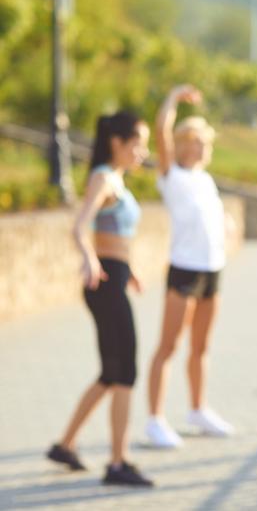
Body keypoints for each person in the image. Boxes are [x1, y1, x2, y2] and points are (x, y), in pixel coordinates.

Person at [46, 111, 154, 487]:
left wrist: (131, 269)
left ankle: (66, 444)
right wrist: (90, 258)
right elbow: (81, 226)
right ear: (117, 142)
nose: (143, 150)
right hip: (104, 284)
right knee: (125, 372)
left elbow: (117, 235)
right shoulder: (103, 177)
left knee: (112, 373)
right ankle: (118, 463)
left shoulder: (118, 179)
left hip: (115, 279)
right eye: (138, 142)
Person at [144, 85, 233, 448]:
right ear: (181, 145)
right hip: (184, 270)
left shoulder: (205, 179)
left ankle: (198, 409)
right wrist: (174, 98)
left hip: (213, 269)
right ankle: (155, 419)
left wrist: (227, 224)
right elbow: (160, 131)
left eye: (202, 142)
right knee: (168, 346)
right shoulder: (172, 176)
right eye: (191, 141)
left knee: (202, 346)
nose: (197, 147)